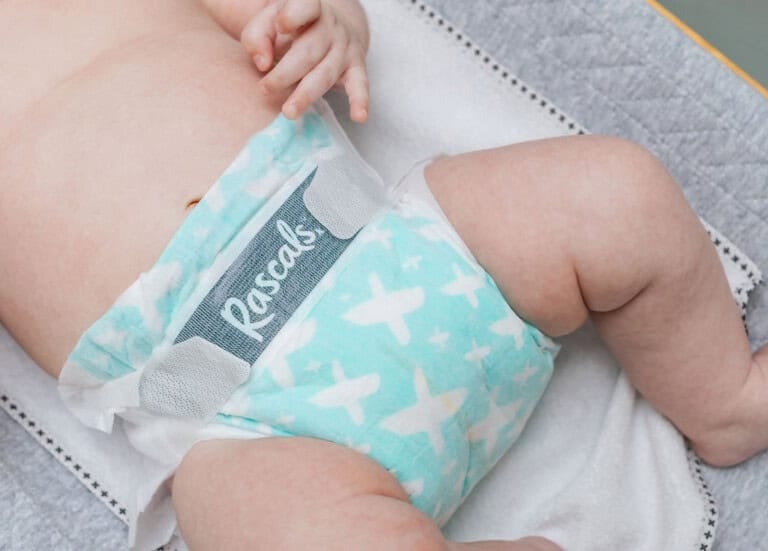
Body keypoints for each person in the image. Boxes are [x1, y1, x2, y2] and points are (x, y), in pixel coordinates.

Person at [0, 0, 765, 549]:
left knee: (613, 194)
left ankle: (722, 397)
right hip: (253, 419)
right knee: (233, 514)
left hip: (406, 247)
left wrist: (326, 27)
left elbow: (302, 19)